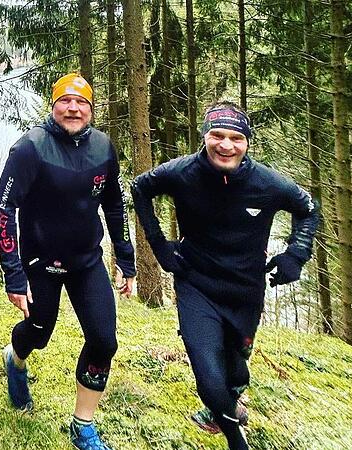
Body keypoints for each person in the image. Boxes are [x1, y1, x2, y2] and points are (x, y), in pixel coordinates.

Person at [131, 101, 319, 450]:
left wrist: (296, 254)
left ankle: (228, 403)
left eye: (236, 138)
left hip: (246, 291)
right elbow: (140, 188)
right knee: (209, 377)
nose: (226, 145)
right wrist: (159, 245)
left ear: (247, 142)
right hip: (195, 284)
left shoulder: (266, 182)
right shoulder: (182, 172)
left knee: (235, 368)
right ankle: (235, 436)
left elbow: (307, 209)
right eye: (217, 135)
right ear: (205, 136)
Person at [0, 73, 136, 450]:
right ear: (53, 105)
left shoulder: (104, 147)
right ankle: (16, 357)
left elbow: (115, 204)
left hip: (87, 260)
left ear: (91, 109)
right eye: (65, 101)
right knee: (39, 334)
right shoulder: (31, 148)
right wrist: (14, 274)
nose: (73, 108)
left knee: (104, 341)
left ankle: (82, 424)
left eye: (82, 102)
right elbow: (4, 207)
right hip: (41, 262)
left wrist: (126, 257)